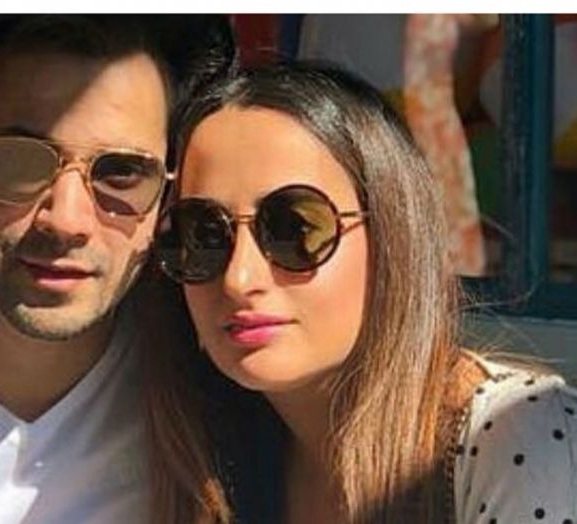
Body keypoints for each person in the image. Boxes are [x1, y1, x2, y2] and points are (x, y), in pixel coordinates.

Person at [153, 62, 577, 523]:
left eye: (295, 228)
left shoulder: (519, 434)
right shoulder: (200, 452)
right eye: (203, 234)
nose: (239, 277)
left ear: (391, 236)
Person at [0, 14, 235, 523]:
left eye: (121, 172)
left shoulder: (215, 392)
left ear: (169, 196)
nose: (66, 220)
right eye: (20, 162)